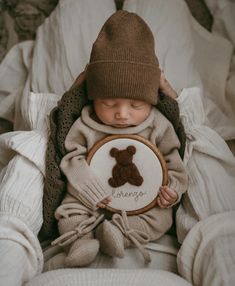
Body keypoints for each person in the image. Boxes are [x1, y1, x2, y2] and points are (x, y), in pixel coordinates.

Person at [51, 10, 188, 267]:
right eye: (109, 103)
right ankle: (79, 241)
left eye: (136, 105)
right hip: (90, 195)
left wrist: (174, 190)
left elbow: (174, 161)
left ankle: (120, 233)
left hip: (142, 202)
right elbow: (70, 156)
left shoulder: (159, 125)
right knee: (69, 209)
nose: (122, 114)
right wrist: (88, 187)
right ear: (93, 98)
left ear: (151, 99)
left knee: (162, 216)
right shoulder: (86, 123)